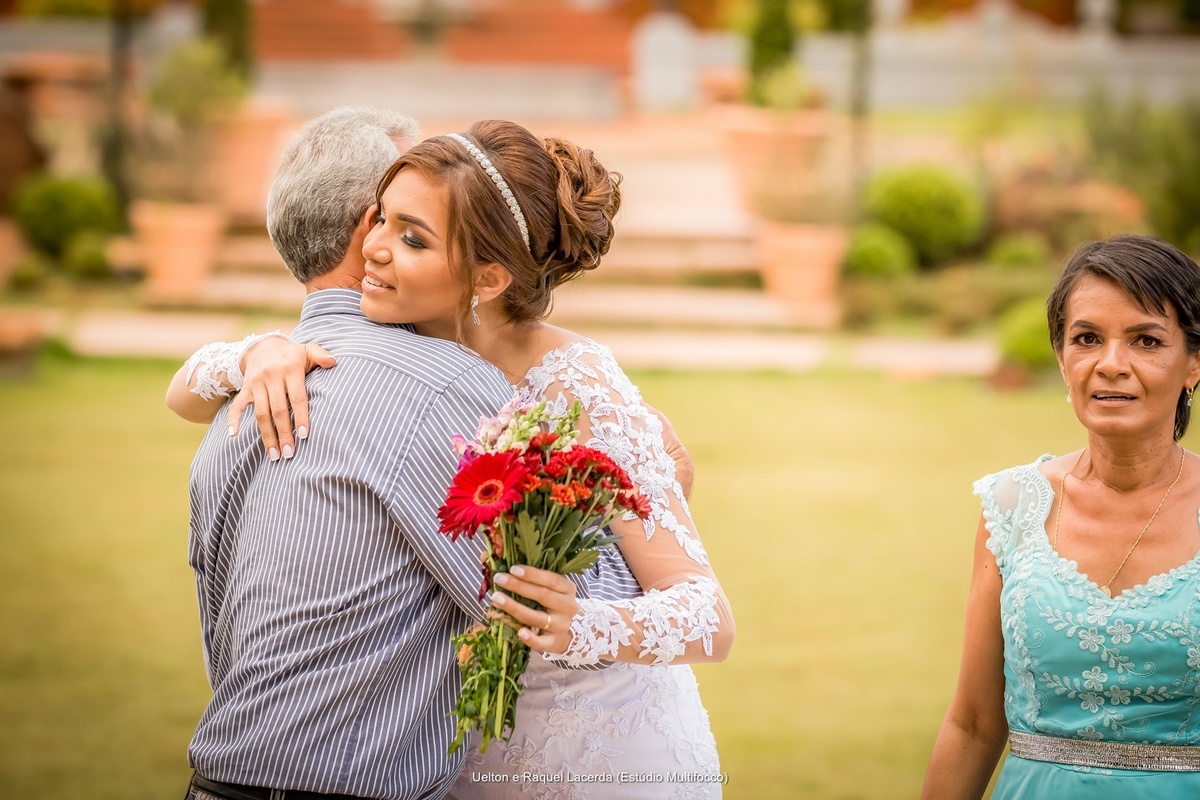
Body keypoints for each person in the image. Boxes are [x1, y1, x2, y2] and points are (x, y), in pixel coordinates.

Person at [170, 119, 734, 798]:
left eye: (412, 238)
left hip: (593, 747)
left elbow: (706, 612)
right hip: (448, 755)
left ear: (488, 276)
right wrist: (254, 353)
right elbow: (185, 392)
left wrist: (582, 623)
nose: (372, 250)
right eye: (380, 220)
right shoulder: (386, 343)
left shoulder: (578, 381)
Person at [922, 234, 1200, 799]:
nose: (1111, 365)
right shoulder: (1012, 507)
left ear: (1194, 363)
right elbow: (973, 725)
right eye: (1087, 338)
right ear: (1061, 356)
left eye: (1146, 340)